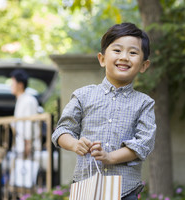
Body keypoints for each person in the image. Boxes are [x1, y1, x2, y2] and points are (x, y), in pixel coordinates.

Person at [52, 22, 157, 199]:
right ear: (102, 59)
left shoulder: (144, 103)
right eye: (117, 50)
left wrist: (110, 157)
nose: (124, 57)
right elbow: (62, 131)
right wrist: (75, 144)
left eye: (132, 52)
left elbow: (143, 144)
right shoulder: (83, 95)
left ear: (143, 65)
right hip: (87, 187)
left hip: (126, 190)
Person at [10, 69, 40, 158]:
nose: (11, 86)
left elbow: (28, 124)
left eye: (13, 83)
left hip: (27, 147)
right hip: (20, 146)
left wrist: (27, 144)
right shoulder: (21, 100)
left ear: (20, 84)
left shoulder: (28, 100)